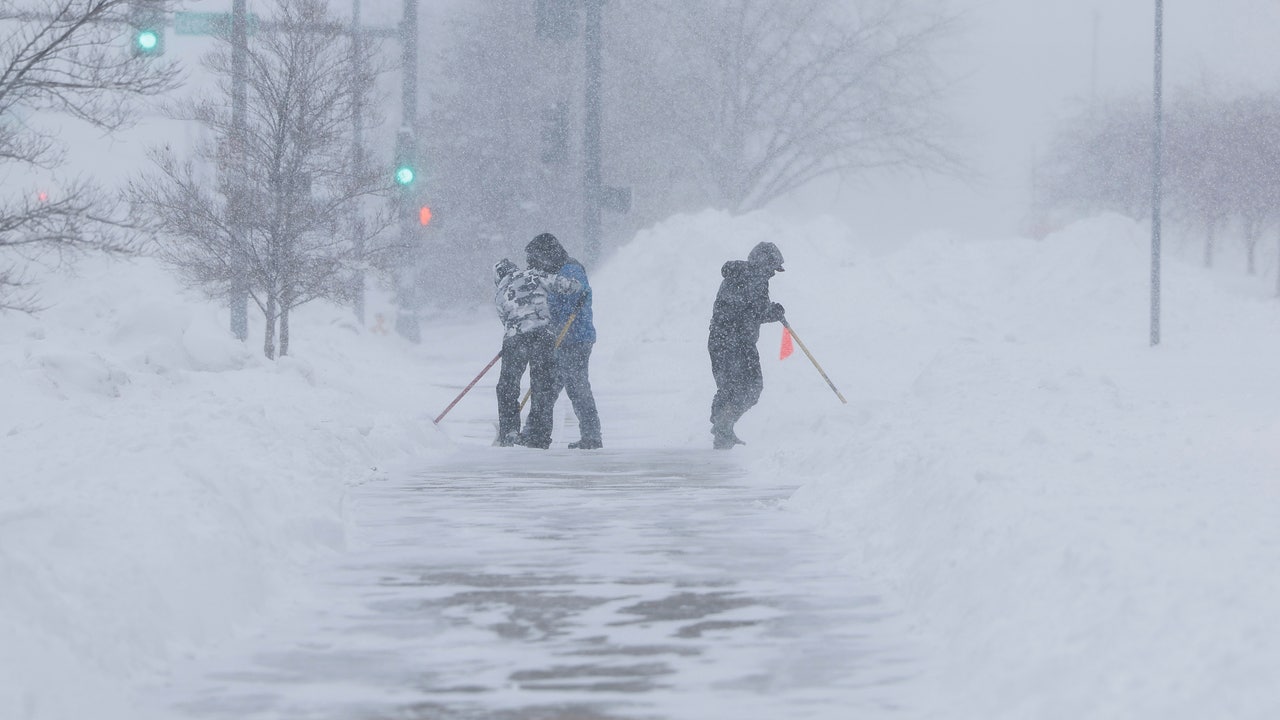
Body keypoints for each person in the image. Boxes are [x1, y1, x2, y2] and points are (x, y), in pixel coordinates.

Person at [492, 255, 582, 449]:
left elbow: (505, 321)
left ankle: (509, 430)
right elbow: (562, 284)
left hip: (515, 339)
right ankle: (540, 436)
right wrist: (576, 287)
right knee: (542, 387)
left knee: (507, 386)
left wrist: (514, 334)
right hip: (543, 336)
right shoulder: (533, 275)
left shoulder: (499, 294)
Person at [525, 233, 603, 450]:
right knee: (547, 388)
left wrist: (549, 318)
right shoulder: (556, 271)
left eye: (536, 257)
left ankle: (592, 436)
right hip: (560, 339)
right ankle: (532, 432)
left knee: (577, 388)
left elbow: (570, 303)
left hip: (574, 338)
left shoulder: (570, 271)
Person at [707, 241, 787, 449]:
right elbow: (754, 311)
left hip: (724, 341)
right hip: (735, 342)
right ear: (763, 263)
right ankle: (723, 426)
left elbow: (748, 307)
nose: (772, 274)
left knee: (731, 387)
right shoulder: (753, 278)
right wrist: (774, 312)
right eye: (772, 268)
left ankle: (723, 428)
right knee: (751, 387)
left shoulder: (742, 276)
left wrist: (769, 309)